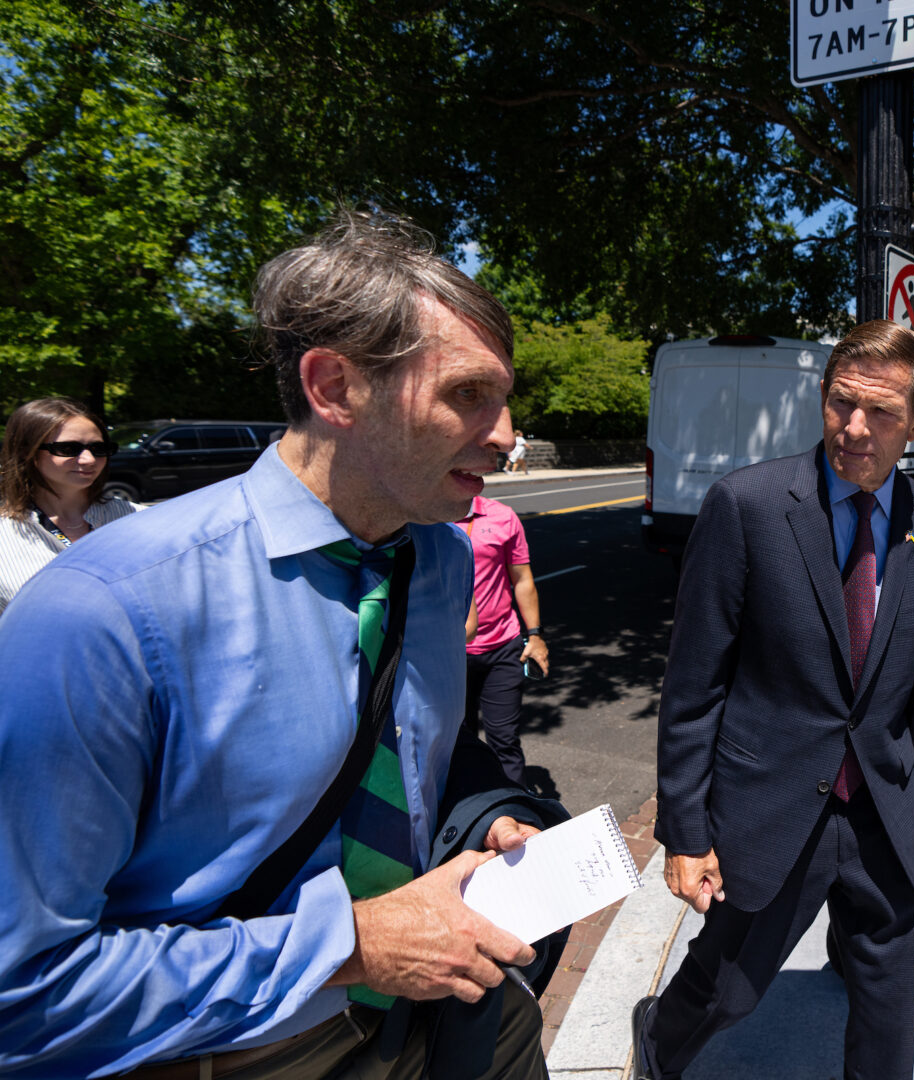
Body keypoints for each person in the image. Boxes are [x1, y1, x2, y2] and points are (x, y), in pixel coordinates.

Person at [0, 212, 555, 1078]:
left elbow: (417, 758)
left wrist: (485, 815)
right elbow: (23, 992)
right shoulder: (102, 611)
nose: (506, 433)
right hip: (239, 1049)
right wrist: (351, 946)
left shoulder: (439, 557)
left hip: (449, 1012)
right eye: (467, 394)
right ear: (334, 387)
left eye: (503, 397)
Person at [631, 320, 914, 1080]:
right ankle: (658, 1042)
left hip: (882, 804)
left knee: (887, 1005)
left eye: (881, 412)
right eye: (841, 403)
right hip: (773, 805)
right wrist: (685, 830)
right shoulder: (746, 506)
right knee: (729, 989)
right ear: (821, 397)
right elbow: (693, 683)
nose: (854, 428)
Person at [0, 397, 140, 615]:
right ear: (26, 452)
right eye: (68, 448)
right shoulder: (5, 532)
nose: (88, 459)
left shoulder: (138, 519)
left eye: (98, 448)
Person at [461, 492, 550, 785]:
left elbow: (522, 579)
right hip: (448, 653)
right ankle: (465, 813)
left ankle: (515, 807)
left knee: (505, 741)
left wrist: (535, 635)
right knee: (457, 741)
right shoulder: (424, 516)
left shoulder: (502, 516)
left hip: (503, 647)